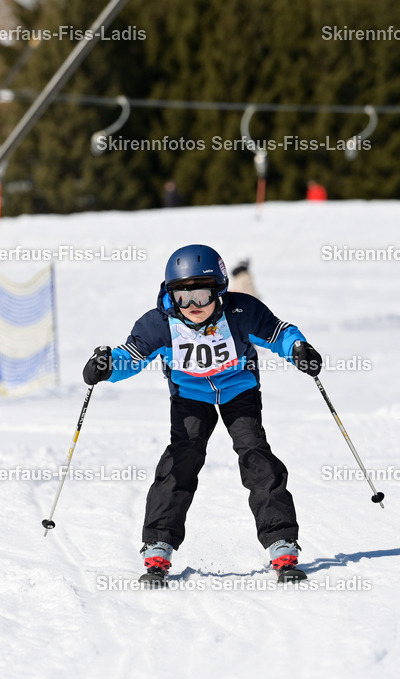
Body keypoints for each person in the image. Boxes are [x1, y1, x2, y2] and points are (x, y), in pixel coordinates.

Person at [81, 244, 322, 587]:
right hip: (190, 396)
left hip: (239, 390)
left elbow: (279, 333)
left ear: (220, 290)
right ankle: (158, 543)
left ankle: (280, 542)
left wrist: (299, 349)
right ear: (170, 296)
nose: (193, 306)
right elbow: (130, 357)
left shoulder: (241, 312)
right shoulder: (159, 324)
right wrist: (106, 366)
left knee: (255, 453)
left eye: (202, 295)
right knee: (183, 456)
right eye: (183, 298)